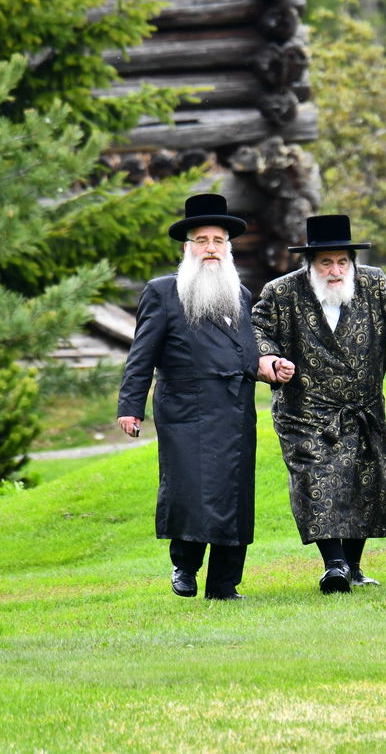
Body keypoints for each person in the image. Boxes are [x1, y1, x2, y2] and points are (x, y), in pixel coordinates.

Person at [251, 214, 386, 594]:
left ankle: (353, 566)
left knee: (362, 483)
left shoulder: (372, 283)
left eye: (342, 261)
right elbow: (257, 331)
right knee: (318, 480)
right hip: (305, 412)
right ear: (309, 264)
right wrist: (269, 360)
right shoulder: (282, 293)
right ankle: (334, 565)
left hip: (363, 407)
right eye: (326, 262)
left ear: (352, 262)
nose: (335, 270)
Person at [117, 193, 261, 601]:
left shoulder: (241, 295)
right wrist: (131, 406)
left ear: (227, 248)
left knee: (236, 496)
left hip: (235, 412)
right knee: (191, 491)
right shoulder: (163, 292)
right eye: (202, 240)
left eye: (218, 240)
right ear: (187, 248)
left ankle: (224, 585)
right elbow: (141, 355)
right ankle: (185, 565)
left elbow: (246, 352)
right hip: (186, 411)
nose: (211, 248)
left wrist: (269, 367)